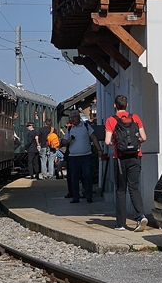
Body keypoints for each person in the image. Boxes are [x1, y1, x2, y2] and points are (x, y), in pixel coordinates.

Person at [104, 94, 148, 231]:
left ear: (115, 106)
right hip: (135, 156)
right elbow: (144, 137)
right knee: (134, 187)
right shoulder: (135, 118)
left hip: (120, 158)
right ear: (127, 105)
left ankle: (121, 224)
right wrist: (135, 143)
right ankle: (140, 216)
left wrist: (116, 144)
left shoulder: (111, 120)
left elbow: (107, 141)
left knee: (121, 190)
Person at [63, 109, 97, 203]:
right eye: (70, 117)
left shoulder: (86, 126)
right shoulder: (69, 129)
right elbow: (63, 141)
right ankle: (75, 197)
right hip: (73, 157)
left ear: (78, 117)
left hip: (86, 156)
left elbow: (93, 137)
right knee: (74, 177)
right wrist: (68, 141)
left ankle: (88, 195)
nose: (72, 119)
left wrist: (99, 150)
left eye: (73, 117)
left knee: (87, 176)